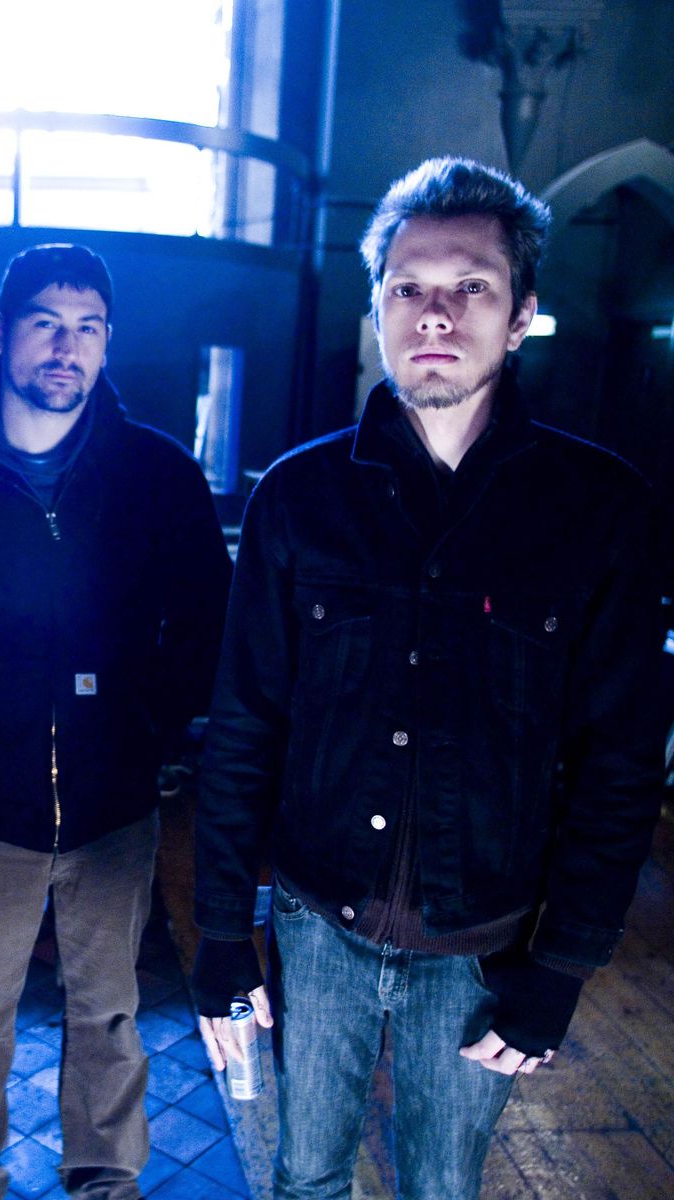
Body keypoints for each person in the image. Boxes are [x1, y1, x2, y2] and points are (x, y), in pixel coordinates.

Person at [192, 158, 665, 1198]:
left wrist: (562, 966)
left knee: (442, 1187)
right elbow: (246, 724)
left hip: (487, 937)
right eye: (408, 286)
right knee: (305, 1175)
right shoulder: (298, 498)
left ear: (521, 314)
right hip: (318, 921)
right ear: (378, 308)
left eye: (472, 287)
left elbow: (621, 764)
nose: (436, 313)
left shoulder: (600, 509)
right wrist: (222, 929)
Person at [0, 243, 232, 1199]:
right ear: (0, 332)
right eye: (45, 323)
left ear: (107, 343)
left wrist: (149, 724)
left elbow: (207, 624)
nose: (67, 348)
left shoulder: (157, 476)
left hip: (115, 805)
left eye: (88, 328)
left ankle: (105, 1178)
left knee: (110, 1010)